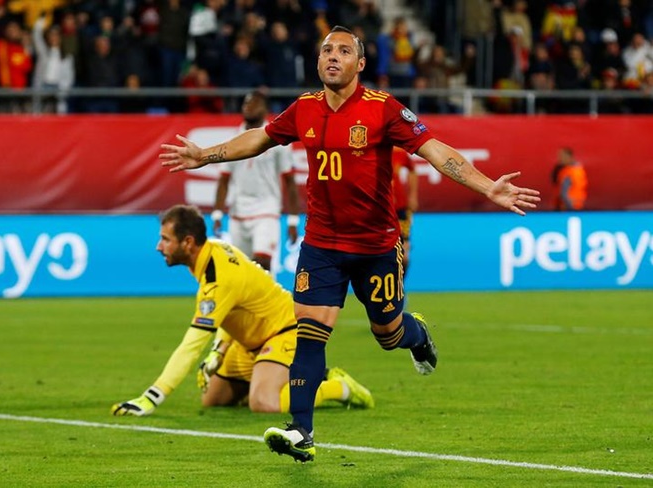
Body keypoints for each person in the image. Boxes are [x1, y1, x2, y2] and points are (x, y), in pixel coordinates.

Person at [159, 26, 540, 462]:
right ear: (318, 61)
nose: (332, 56)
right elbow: (260, 138)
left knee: (388, 331)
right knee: (309, 334)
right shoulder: (304, 109)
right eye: (326, 50)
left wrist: (488, 187)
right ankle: (301, 430)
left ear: (360, 65)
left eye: (343, 51)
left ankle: (417, 336)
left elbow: (436, 151)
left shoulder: (383, 109)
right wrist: (205, 154)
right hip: (322, 244)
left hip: (376, 245)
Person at [111, 204, 373, 417]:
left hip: (284, 331)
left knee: (264, 403)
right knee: (213, 401)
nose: (159, 246)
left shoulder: (218, 278)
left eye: (165, 239)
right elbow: (233, 308)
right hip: (247, 341)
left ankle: (336, 387)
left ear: (188, 242)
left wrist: (152, 397)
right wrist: (218, 351)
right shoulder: (212, 250)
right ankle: (271, 375)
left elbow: (191, 345)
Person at [211, 90, 300, 273]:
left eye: (254, 103)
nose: (248, 107)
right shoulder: (232, 139)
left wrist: (292, 220)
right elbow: (223, 180)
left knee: (262, 263)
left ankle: (271, 300)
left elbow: (290, 181)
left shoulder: (277, 139)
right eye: (246, 103)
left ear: (265, 109)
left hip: (266, 211)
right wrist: (217, 214)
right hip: (238, 212)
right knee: (242, 271)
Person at [391, 146, 417, 275]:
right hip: (378, 211)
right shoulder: (366, 150)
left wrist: (413, 196)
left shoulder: (398, 152)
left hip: (400, 209)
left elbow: (412, 170)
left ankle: (400, 290)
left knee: (404, 256)